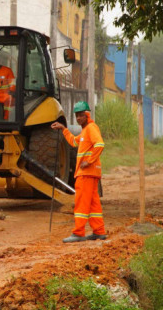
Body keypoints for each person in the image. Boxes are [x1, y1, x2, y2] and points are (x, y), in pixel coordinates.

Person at [50, 101, 107, 243]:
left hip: (86, 173)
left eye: (81, 115)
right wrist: (64, 129)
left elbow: (100, 144)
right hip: (91, 173)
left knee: (81, 202)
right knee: (93, 203)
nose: (79, 118)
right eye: (77, 116)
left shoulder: (91, 128)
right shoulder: (85, 131)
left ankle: (78, 232)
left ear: (87, 115)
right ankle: (99, 231)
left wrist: (90, 161)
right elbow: (74, 142)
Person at [0, 49, 15, 120]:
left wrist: (11, 91)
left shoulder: (7, 70)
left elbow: (12, 84)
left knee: (10, 99)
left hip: (4, 95)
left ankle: (6, 119)